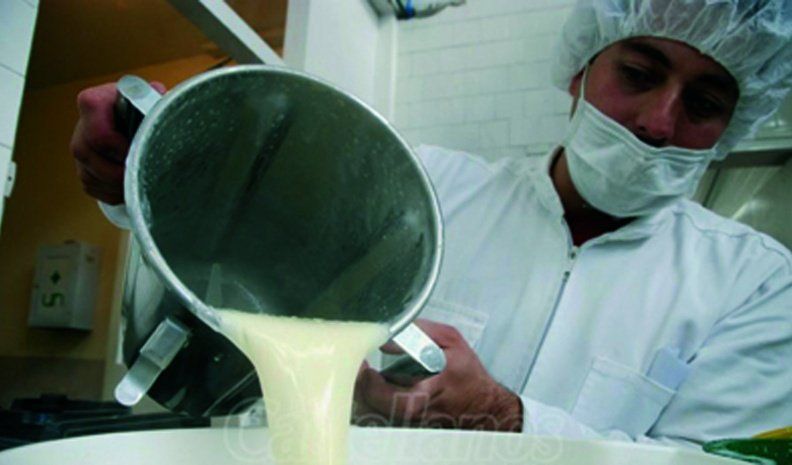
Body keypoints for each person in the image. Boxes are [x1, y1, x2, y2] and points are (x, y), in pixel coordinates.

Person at [71, 0, 792, 447]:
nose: (659, 122)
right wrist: (137, 172)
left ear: (734, 125)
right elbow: (249, 240)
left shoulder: (757, 284)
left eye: (704, 103)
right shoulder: (429, 189)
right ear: (580, 70)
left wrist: (506, 418)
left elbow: (724, 463)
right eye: (638, 73)